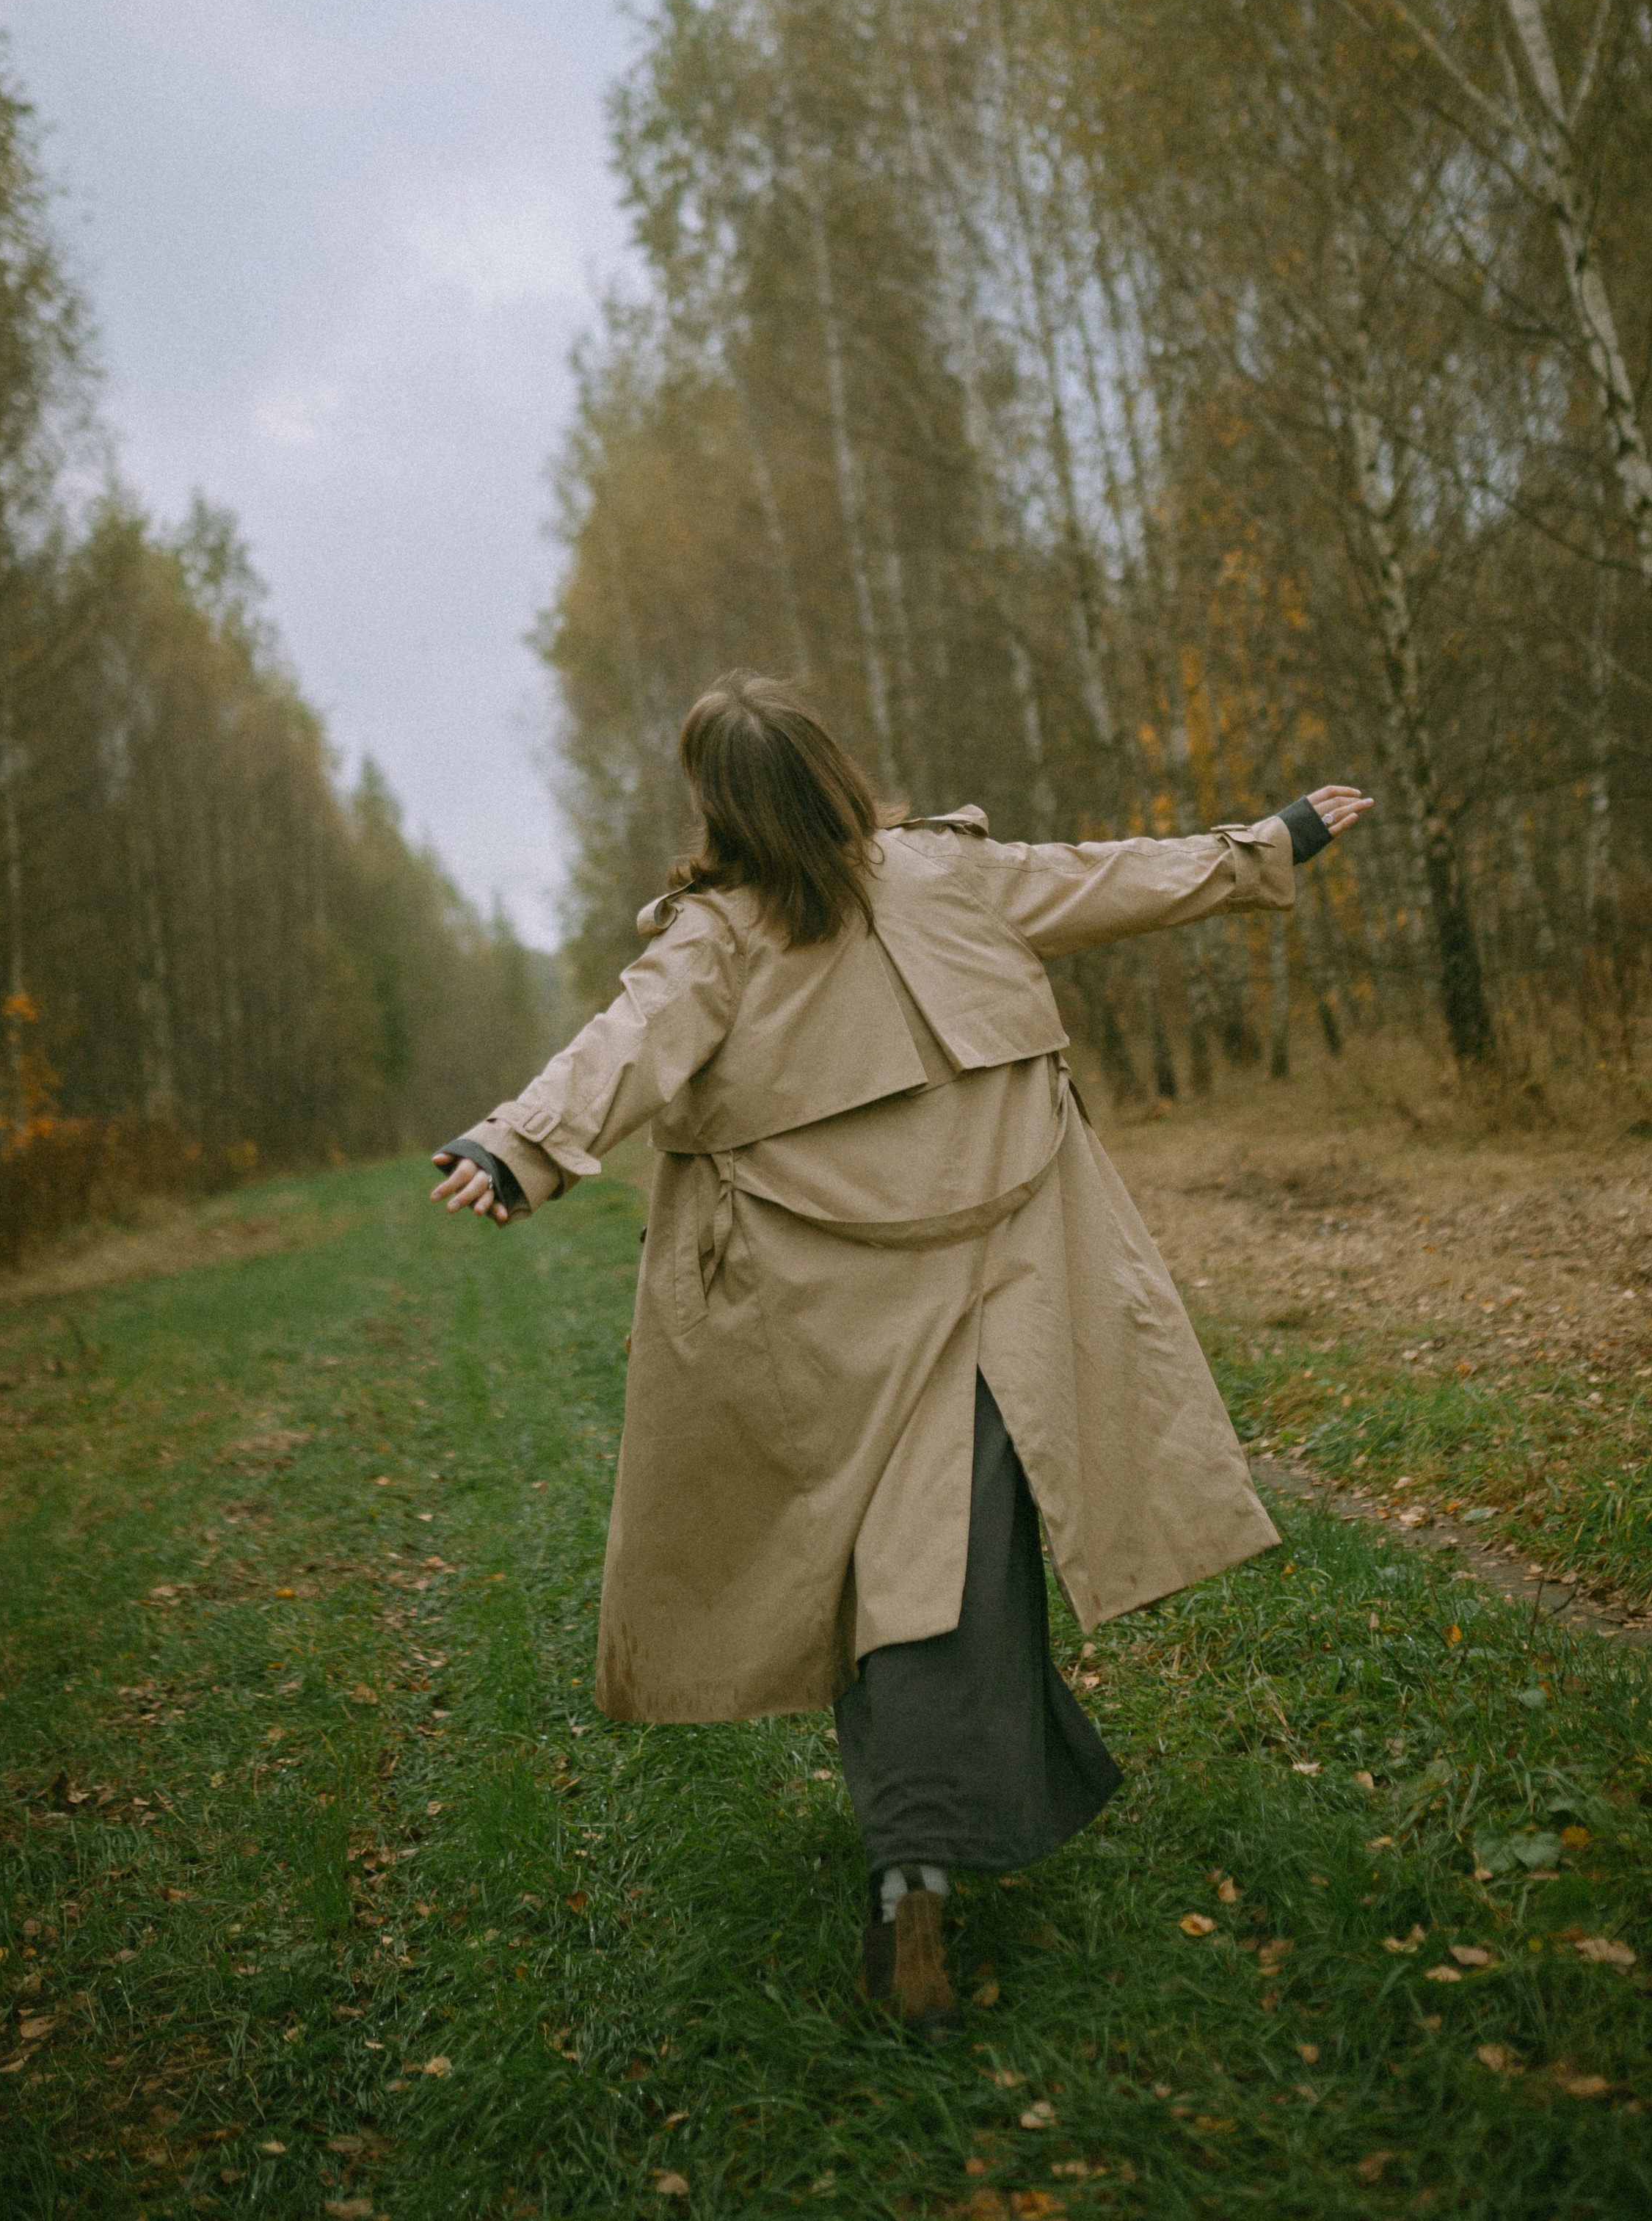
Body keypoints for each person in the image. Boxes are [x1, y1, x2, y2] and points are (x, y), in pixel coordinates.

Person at [432, 674, 1369, 2040]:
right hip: (996, 1286)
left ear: (723, 807)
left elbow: (622, 1046)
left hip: (828, 1322)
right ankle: (920, 1865)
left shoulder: (716, 941)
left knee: (895, 1577)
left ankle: (913, 1874)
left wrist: (512, 1145)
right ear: (831, 772)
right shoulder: (947, 878)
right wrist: (1273, 837)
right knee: (951, 1576)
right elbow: (1117, 878)